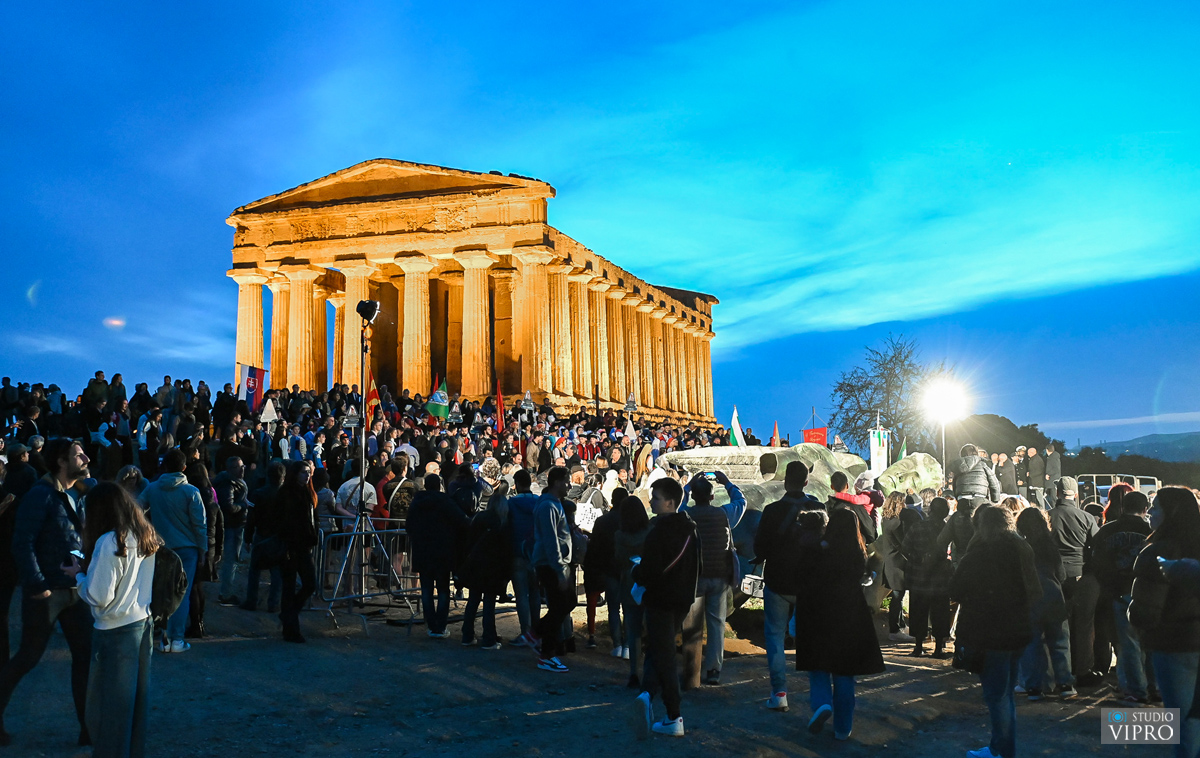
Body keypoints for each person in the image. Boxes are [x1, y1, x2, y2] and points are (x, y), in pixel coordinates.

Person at [0, 439, 94, 747]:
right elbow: (22, 543)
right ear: (61, 462)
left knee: (85, 656)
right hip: (47, 591)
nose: (86, 458)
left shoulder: (78, 494)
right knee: (28, 657)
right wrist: (38, 584)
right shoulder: (40, 495)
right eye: (78, 455)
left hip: (74, 588)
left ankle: (88, 729)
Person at [64, 482, 160, 758]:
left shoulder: (110, 541)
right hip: (142, 624)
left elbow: (98, 596)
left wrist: (78, 575)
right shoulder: (144, 533)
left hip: (115, 631)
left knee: (108, 711)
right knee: (134, 708)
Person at [950, 506, 1042, 758]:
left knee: (996, 695)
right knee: (1006, 693)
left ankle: (1000, 750)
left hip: (989, 633)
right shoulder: (1022, 549)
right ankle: (1003, 747)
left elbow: (955, 589)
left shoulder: (978, 554)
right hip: (1019, 630)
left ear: (981, 526)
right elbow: (1034, 591)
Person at [795, 509, 885, 740]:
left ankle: (822, 703)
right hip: (849, 616)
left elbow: (803, 576)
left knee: (818, 665)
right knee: (844, 672)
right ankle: (843, 728)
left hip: (818, 614)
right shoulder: (858, 553)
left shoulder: (818, 550)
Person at [1129, 487, 1200, 758]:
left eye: (1155, 507)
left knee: (1183, 722)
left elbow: (1145, 612)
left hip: (1174, 645)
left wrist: (1131, 613)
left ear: (1172, 513)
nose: (1149, 512)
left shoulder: (1159, 552)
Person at [631, 477, 699, 739]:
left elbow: (648, 571)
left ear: (670, 502)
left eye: (656, 498)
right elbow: (697, 565)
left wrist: (635, 571)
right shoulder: (690, 529)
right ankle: (647, 694)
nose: (651, 501)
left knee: (665, 654)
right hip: (682, 600)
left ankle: (673, 715)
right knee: (660, 647)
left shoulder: (658, 532)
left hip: (659, 599)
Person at [755, 462, 826, 712]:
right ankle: (820, 696)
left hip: (778, 580)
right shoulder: (819, 508)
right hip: (810, 583)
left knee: (774, 636)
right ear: (806, 482)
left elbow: (759, 547)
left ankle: (779, 692)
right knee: (813, 637)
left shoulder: (772, 510)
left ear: (785, 481)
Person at [679, 471, 746, 687]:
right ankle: (714, 670)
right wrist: (726, 482)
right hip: (719, 575)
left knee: (692, 624)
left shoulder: (686, 515)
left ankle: (691, 669)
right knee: (716, 623)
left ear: (693, 496)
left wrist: (687, 486)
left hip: (695, 576)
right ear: (712, 496)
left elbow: (678, 505)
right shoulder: (723, 514)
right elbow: (741, 501)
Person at [139, 448, 206, 653]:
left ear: (164, 466)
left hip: (161, 549)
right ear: (184, 467)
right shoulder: (191, 492)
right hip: (187, 548)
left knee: (162, 592)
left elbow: (137, 509)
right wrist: (203, 549)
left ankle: (164, 637)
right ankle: (177, 638)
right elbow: (200, 525)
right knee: (182, 593)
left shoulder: (152, 489)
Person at [1089, 490, 1153, 702]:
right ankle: (1151, 686)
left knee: (1127, 643)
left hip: (1118, 592)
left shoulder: (1108, 530)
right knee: (1149, 642)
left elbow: (1096, 562)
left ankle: (1135, 688)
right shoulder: (1151, 531)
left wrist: (1109, 586)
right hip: (1147, 592)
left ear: (1123, 507)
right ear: (1145, 509)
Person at [1014, 508, 1075, 700]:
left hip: (1030, 598)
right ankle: (1065, 684)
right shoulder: (1050, 546)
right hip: (1053, 596)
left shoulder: (1020, 547)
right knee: (1059, 642)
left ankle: (1034, 687)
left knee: (1032, 644)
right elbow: (1061, 575)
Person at [1048, 477, 1100, 683]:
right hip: (1080, 574)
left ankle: (1060, 669)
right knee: (1084, 625)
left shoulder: (1048, 516)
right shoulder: (1086, 517)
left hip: (1054, 575)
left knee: (1058, 624)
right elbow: (1096, 545)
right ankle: (1083, 669)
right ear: (1076, 494)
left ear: (1057, 493)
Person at [261, 462, 319, 642]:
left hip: (303, 545)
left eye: (308, 472)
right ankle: (291, 627)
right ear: (295, 474)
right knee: (290, 586)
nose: (307, 475)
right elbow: (281, 521)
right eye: (303, 472)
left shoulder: (306, 492)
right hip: (290, 546)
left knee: (309, 583)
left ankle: (289, 615)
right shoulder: (286, 493)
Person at [406, 474, 468, 639]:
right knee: (443, 589)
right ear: (439, 485)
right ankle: (440, 626)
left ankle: (431, 625)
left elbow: (409, 524)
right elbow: (461, 520)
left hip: (422, 551)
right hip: (443, 551)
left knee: (426, 589)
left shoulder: (417, 502)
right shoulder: (446, 501)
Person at [531, 466, 575, 672]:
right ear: (557, 482)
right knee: (560, 605)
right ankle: (546, 653)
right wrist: (559, 568)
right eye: (567, 481)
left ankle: (536, 635)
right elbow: (551, 539)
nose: (570, 486)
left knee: (565, 603)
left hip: (553, 562)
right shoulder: (548, 506)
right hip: (550, 563)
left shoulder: (553, 503)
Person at [459, 480, 513, 649]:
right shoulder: (503, 522)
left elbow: (469, 542)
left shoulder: (479, 518)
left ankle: (467, 635)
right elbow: (506, 549)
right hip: (494, 567)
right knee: (489, 603)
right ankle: (489, 637)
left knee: (473, 600)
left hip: (476, 565)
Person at [901, 497, 954, 658]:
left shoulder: (917, 526)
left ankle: (918, 647)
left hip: (919, 577)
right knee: (940, 612)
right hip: (939, 579)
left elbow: (905, 547)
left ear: (930, 510)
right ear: (945, 512)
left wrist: (917, 560)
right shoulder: (946, 528)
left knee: (918, 611)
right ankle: (938, 648)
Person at [615, 493, 651, 686]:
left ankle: (634, 672)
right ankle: (651, 672)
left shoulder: (619, 536)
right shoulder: (651, 532)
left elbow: (618, 559)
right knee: (653, 630)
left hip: (629, 584)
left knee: (633, 631)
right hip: (649, 583)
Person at [583, 487, 623, 653]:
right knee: (629, 610)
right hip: (626, 568)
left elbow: (595, 546)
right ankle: (628, 645)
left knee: (612, 608)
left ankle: (616, 644)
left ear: (612, 501)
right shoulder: (632, 521)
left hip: (605, 567)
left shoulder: (602, 521)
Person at [506, 468, 542, 646]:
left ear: (517, 484)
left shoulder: (511, 503)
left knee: (521, 595)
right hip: (536, 552)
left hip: (517, 551)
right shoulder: (539, 502)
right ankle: (535, 632)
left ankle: (525, 632)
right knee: (535, 593)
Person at [878, 492, 919, 642]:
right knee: (897, 597)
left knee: (897, 595)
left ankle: (900, 625)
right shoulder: (897, 523)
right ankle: (894, 630)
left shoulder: (886, 519)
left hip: (890, 562)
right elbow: (904, 544)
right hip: (898, 564)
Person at [213, 457, 251, 606]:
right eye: (237, 467)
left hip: (235, 524)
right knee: (231, 560)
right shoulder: (228, 484)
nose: (242, 469)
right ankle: (226, 594)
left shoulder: (234, 481)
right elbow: (228, 506)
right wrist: (243, 505)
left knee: (231, 559)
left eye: (242, 466)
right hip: (232, 525)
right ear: (229, 469)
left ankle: (225, 592)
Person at [951, 444, 1001, 510]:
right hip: (980, 498)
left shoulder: (958, 467)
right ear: (976, 453)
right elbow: (994, 483)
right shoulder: (983, 465)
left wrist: (957, 497)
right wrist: (995, 500)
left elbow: (954, 485)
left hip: (962, 499)